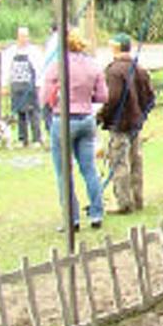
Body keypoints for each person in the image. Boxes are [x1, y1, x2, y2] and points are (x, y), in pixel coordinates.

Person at [40, 30, 108, 230]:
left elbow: (44, 95)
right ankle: (97, 213)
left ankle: (72, 217)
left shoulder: (58, 66)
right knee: (89, 169)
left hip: (63, 119)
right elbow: (103, 96)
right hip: (86, 118)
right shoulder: (93, 65)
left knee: (64, 172)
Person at [97, 33, 155, 214]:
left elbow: (111, 98)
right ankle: (138, 198)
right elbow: (150, 97)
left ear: (115, 48)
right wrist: (141, 115)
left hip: (119, 123)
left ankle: (123, 202)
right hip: (136, 123)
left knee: (119, 162)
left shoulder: (114, 71)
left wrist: (101, 116)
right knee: (136, 160)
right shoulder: (140, 69)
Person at [1, 26, 44, 147]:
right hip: (16, 86)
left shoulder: (34, 52)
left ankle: (36, 138)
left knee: (33, 113)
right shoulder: (10, 52)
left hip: (30, 87)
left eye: (26, 36)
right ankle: (22, 139)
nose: (24, 39)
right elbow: (5, 69)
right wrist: (4, 85)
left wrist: (39, 85)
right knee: (19, 113)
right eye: (21, 36)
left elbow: (40, 69)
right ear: (17, 37)